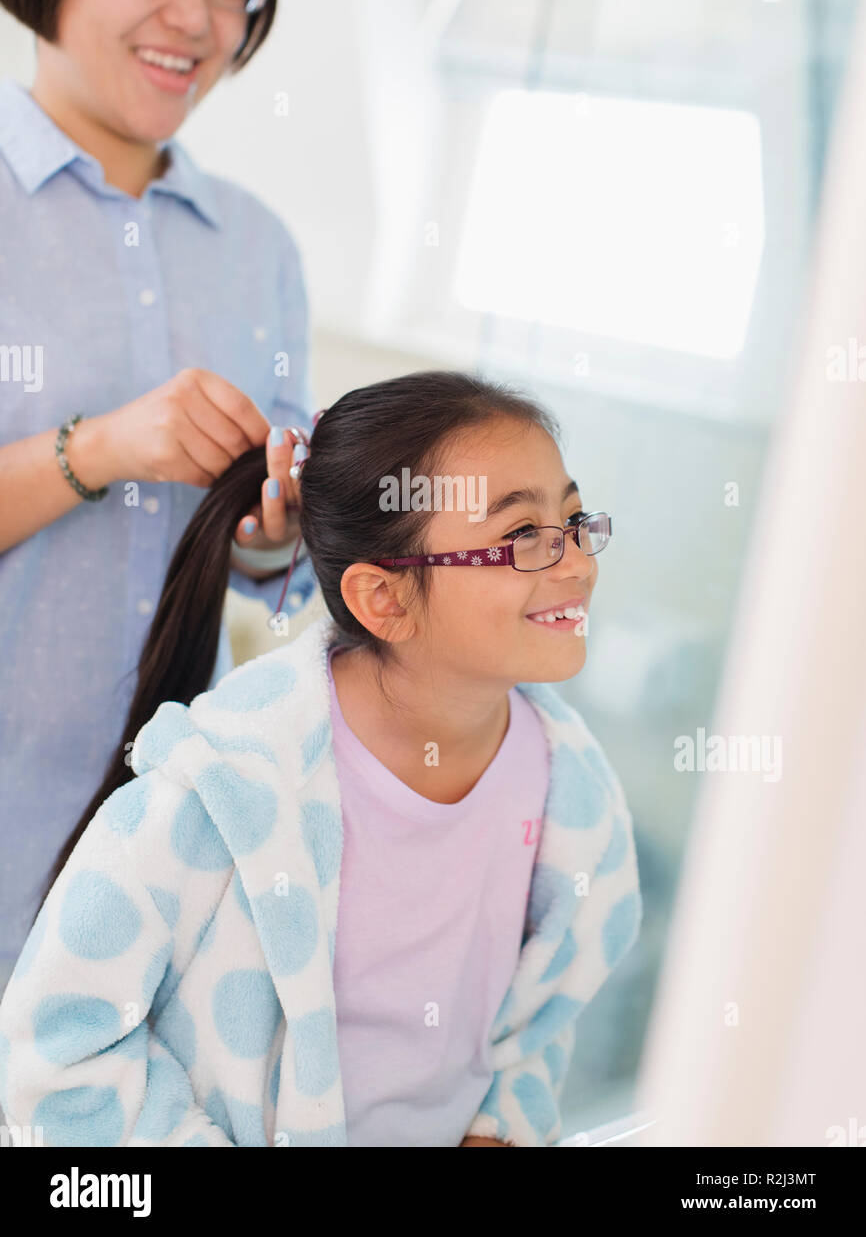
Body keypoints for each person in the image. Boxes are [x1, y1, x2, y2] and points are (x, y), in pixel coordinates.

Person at [0, 370, 643, 1147]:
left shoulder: (568, 790)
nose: (575, 562)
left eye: (574, 521)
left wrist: (496, 1127)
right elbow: (55, 1053)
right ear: (385, 600)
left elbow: (537, 1024)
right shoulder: (220, 790)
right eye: (524, 538)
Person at [0, 0, 318, 994]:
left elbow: (266, 560)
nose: (198, 15)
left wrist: (269, 526)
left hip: (156, 872)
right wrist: (100, 449)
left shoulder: (259, 248)